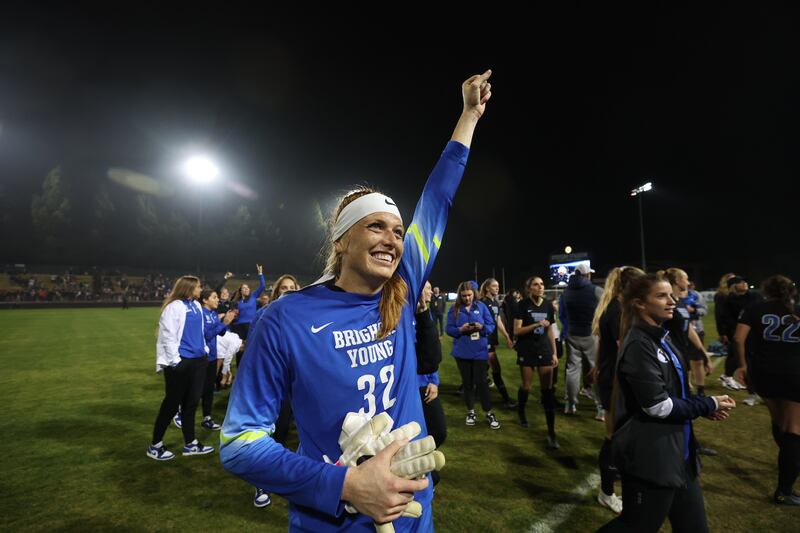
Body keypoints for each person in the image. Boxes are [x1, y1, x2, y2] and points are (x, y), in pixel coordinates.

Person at [220, 70, 492, 531]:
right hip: (331, 520)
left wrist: (468, 115)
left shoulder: (401, 289)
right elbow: (241, 443)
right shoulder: (285, 317)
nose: (392, 239)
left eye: (398, 231)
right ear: (342, 242)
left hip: (410, 516)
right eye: (376, 226)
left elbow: (438, 199)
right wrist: (344, 486)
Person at [599, 273, 736, 532]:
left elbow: (676, 393)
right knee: (636, 527)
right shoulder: (639, 344)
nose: (672, 301)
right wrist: (708, 405)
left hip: (680, 457)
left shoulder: (662, 337)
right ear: (640, 303)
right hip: (652, 459)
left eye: (671, 295)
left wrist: (704, 404)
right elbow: (658, 406)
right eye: (662, 296)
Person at [734, 275, 800, 505]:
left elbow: (738, 338)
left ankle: (788, 461)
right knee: (794, 429)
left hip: (763, 372)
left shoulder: (756, 308)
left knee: (781, 423)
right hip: (794, 372)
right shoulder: (795, 309)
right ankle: (784, 490)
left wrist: (742, 365)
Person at [590, 266, 644, 514]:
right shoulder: (617, 311)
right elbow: (627, 348)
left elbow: (606, 345)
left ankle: (614, 481)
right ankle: (607, 492)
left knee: (623, 436)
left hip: (613, 377)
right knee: (613, 438)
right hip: (615, 381)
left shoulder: (619, 307)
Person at [147, 275, 215, 461]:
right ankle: (155, 445)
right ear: (190, 287)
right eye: (199, 287)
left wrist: (205, 350)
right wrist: (176, 362)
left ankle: (190, 443)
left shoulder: (196, 306)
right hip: (181, 363)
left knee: (191, 404)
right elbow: (168, 336)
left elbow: (199, 333)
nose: (201, 289)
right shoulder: (174, 307)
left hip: (198, 361)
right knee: (170, 405)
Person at [513, 276, 559, 449]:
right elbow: (517, 330)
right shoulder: (522, 305)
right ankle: (521, 412)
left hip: (544, 350)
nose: (540, 287)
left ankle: (551, 433)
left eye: (541, 284)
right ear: (529, 288)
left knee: (547, 392)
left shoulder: (548, 305)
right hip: (527, 349)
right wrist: (535, 324)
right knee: (527, 386)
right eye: (536, 284)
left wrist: (554, 353)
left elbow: (550, 331)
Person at [447, 280, 500, 429]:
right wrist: (460, 330)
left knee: (482, 383)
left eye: (469, 295)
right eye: (464, 296)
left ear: (474, 294)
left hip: (479, 351)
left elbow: (491, 325)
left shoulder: (481, 307)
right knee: (468, 384)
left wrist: (482, 327)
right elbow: (449, 329)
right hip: (462, 352)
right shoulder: (454, 309)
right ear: (459, 295)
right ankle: (471, 412)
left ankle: (488, 412)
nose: (467, 298)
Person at [415, 281, 446, 486]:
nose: (428, 290)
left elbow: (432, 354)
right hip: (408, 386)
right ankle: (422, 473)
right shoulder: (401, 314)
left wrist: (434, 380)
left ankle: (424, 469)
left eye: (429, 287)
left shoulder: (424, 314)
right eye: (425, 287)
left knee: (437, 431)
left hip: (426, 384)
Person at [561, 263, 603, 416]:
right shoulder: (595, 290)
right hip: (590, 334)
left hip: (572, 333)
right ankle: (601, 408)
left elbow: (563, 314)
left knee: (572, 370)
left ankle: (570, 405)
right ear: (587, 275)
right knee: (596, 370)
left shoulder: (566, 291)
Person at [719, 275, 762, 400]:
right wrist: (725, 333)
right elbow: (724, 319)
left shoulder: (755, 296)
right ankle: (752, 392)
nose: (744, 283)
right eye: (740, 282)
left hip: (757, 334)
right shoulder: (728, 300)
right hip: (739, 335)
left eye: (744, 281)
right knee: (745, 362)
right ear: (733, 286)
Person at [199, 288, 236, 431]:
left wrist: (225, 321)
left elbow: (220, 333)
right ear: (205, 300)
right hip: (202, 357)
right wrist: (224, 323)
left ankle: (207, 418)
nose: (217, 300)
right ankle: (180, 412)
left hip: (213, 357)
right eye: (214, 297)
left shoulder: (213, 314)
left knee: (209, 389)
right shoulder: (201, 314)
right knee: (197, 390)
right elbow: (207, 336)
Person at [479, 278, 516, 409]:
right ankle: (506, 399)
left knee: (483, 369)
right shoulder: (482, 303)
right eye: (494, 286)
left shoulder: (495, 302)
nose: (497, 288)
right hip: (485, 341)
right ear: (487, 288)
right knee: (496, 368)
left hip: (492, 340)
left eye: (498, 286)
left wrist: (507, 336)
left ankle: (467, 388)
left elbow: (498, 320)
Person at [230, 264, 266, 366]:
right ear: (241, 291)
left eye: (247, 288)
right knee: (240, 348)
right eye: (244, 288)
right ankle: (239, 365)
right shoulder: (237, 301)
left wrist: (260, 273)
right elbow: (235, 314)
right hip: (240, 326)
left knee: (252, 346)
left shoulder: (253, 296)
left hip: (251, 325)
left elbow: (262, 285)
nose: (246, 289)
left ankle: (251, 365)